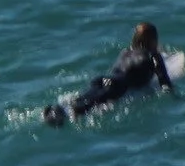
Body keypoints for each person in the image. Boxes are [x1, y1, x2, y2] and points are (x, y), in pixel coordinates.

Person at [44, 23, 176, 126]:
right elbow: (164, 80)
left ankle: (56, 109)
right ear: (153, 40)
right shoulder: (153, 55)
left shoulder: (126, 51)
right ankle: (61, 116)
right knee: (84, 108)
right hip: (118, 85)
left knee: (83, 98)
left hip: (102, 79)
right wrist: (173, 95)